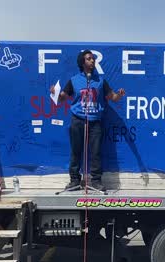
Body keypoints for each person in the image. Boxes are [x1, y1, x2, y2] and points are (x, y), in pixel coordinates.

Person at [50, 49, 126, 191]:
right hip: (78, 120)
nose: (92, 61)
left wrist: (119, 95)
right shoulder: (74, 81)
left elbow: (113, 98)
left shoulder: (100, 82)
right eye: (89, 59)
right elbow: (61, 98)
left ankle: (96, 181)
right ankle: (74, 180)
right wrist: (54, 93)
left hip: (95, 122)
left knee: (96, 152)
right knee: (76, 151)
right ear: (82, 62)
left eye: (93, 59)